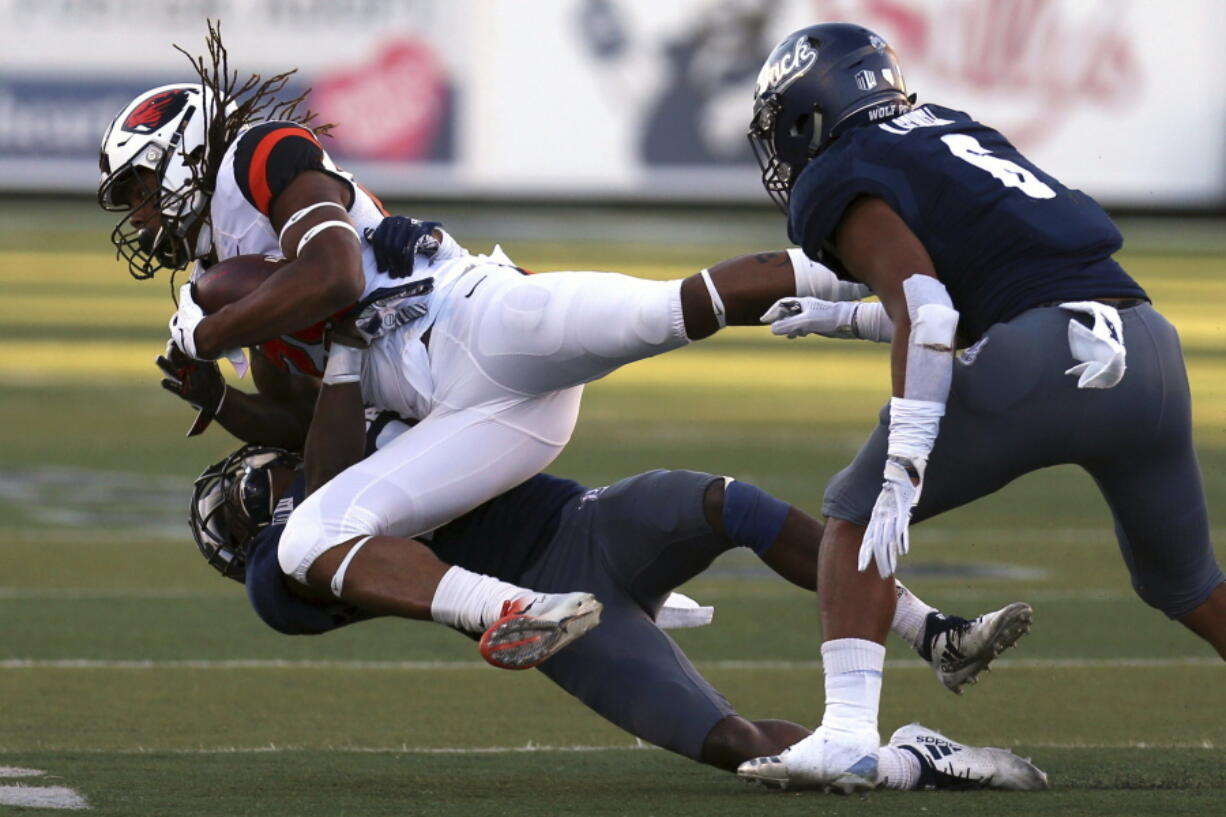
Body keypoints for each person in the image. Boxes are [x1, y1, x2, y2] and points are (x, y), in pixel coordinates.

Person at [97, 24, 873, 630]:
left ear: (184, 158)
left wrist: (212, 331)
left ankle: (870, 277)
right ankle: (523, 603)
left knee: (668, 310)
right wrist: (220, 394)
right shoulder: (223, 283)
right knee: (313, 535)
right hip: (469, 414)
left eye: (140, 188)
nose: (139, 214)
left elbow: (333, 274)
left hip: (475, 323)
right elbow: (311, 423)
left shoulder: (254, 161)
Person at [186, 342, 1044, 788]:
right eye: (247, 505)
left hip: (589, 521)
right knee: (740, 749)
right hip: (563, 617)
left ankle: (928, 628)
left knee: (727, 503)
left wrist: (227, 390)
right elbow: (296, 559)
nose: (261, 482)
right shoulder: (300, 563)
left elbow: (295, 393)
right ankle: (910, 760)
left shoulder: (334, 457)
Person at [737, 22, 1226, 792]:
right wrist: (842, 316)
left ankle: (847, 736)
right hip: (1147, 352)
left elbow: (928, 314)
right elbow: (989, 289)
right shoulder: (953, 129)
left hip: (1051, 357)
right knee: (1189, 585)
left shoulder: (844, 169)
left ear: (811, 116)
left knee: (855, 517)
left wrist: (907, 455)